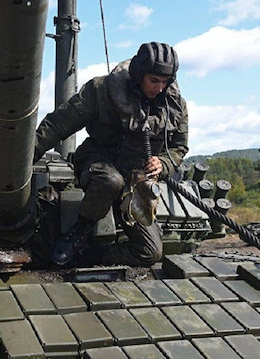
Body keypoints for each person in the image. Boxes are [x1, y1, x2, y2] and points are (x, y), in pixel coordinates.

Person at [34, 42, 189, 267]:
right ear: (138, 75)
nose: (159, 88)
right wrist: (21, 159)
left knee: (150, 252)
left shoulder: (174, 107)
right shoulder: (102, 90)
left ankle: (90, 257)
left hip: (136, 181)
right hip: (97, 162)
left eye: (165, 82)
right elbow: (58, 125)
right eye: (153, 81)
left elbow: (178, 148)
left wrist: (163, 163)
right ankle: (81, 228)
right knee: (110, 180)